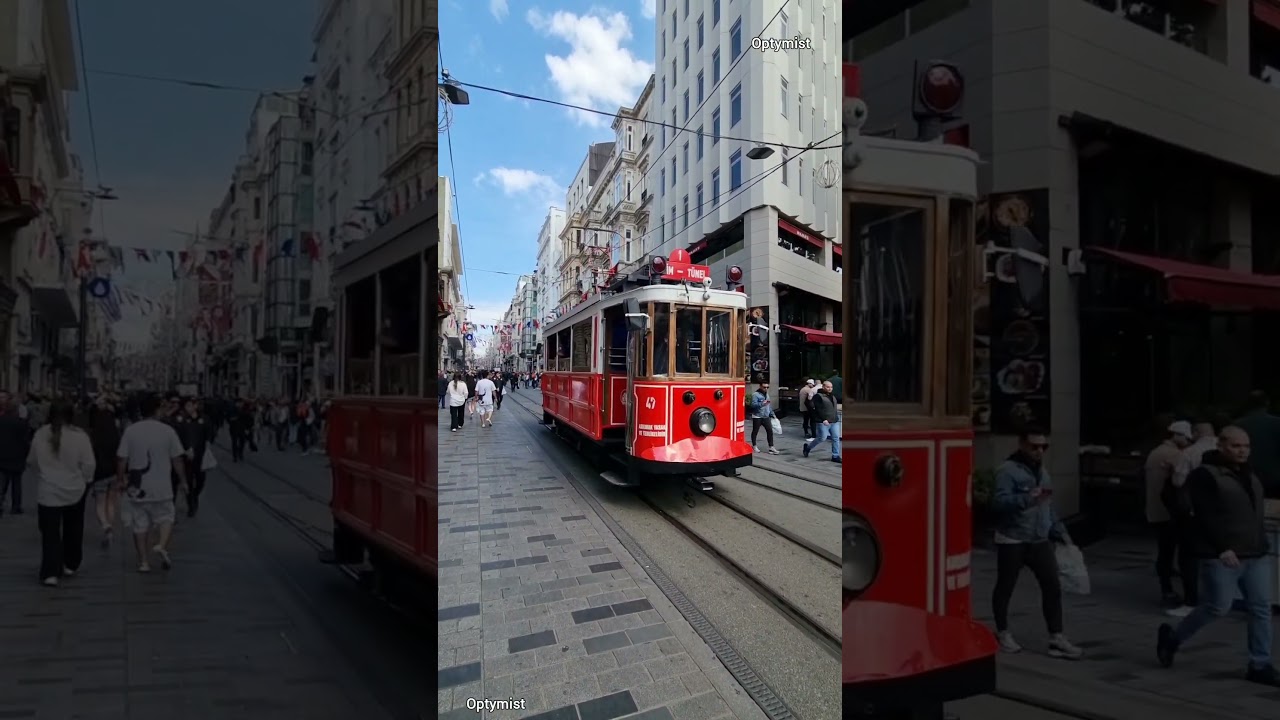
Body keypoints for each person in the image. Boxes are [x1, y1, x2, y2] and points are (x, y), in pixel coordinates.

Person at [1157, 426, 1280, 686]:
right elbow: (1203, 514)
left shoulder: (1250, 473)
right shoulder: (1205, 474)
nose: (1242, 451)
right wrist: (1221, 547)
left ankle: (1260, 664)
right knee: (1217, 606)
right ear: (1221, 445)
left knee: (1260, 608)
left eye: (1246, 446)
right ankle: (1172, 639)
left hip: (1255, 552)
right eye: (1236, 446)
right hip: (1222, 555)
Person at [989, 426, 1083, 659]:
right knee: (1006, 585)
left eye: (1043, 446)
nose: (1039, 451)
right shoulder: (1007, 471)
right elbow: (998, 503)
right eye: (1034, 446)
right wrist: (1026, 498)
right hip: (1013, 537)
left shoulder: (1043, 472)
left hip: (1039, 538)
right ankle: (1002, 632)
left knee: (1052, 585)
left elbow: (1048, 506)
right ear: (1022, 444)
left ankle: (1056, 637)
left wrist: (1060, 532)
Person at [116, 394, 188, 573]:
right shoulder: (168, 431)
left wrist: (120, 480)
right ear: (158, 410)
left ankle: (143, 562)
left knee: (140, 524)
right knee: (166, 518)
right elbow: (177, 459)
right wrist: (183, 481)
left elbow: (121, 459)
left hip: (137, 488)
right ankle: (161, 545)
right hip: (162, 486)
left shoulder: (131, 430)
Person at [28, 402, 95, 586]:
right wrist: (86, 480)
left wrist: (42, 474)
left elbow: (32, 461)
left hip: (48, 490)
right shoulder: (80, 436)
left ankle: (50, 571)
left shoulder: (41, 434)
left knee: (50, 532)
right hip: (74, 488)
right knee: (73, 527)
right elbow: (89, 463)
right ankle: (70, 562)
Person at [1145, 420, 1195, 614]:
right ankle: (1168, 591)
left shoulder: (1156, 452)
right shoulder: (1173, 454)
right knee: (1168, 553)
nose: (1188, 441)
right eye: (1186, 437)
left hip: (1156, 510)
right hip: (1169, 512)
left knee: (1165, 552)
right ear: (1176, 435)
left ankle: (1167, 589)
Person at [87, 400, 122, 548]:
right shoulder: (116, 435)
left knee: (100, 503)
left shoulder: (94, 435)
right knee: (111, 503)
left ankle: (105, 526)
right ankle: (110, 528)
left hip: (99, 473)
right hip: (114, 472)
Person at [1233, 391, 1280, 497]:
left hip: (1245, 478)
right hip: (1275, 480)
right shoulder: (1277, 423)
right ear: (1267, 403)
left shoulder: (1237, 425)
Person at [0, 390, 31, 516]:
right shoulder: (22, 423)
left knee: (2, 482)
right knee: (16, 483)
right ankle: (16, 506)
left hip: (2, 455)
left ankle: (0, 503)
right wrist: (26, 454)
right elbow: (25, 441)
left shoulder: (1, 421)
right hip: (17, 457)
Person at [802, 380, 842, 464]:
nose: (830, 389)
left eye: (831, 387)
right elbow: (817, 408)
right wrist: (823, 419)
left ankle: (835, 456)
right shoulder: (818, 396)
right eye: (828, 387)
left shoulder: (832, 396)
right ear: (823, 387)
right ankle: (808, 448)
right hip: (823, 421)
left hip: (834, 420)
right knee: (822, 438)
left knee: (835, 438)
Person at [747, 382, 779, 455]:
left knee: (769, 431)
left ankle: (771, 447)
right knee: (755, 431)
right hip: (757, 416)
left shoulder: (767, 394)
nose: (766, 389)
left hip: (766, 416)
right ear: (760, 386)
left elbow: (769, 406)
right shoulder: (755, 394)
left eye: (767, 387)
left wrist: (772, 414)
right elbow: (753, 405)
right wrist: (762, 403)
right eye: (764, 387)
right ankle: (754, 445)